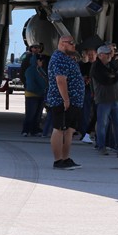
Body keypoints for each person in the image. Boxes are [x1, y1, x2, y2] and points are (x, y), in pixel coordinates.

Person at [46, 35, 84, 170]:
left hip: (73, 102)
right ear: (62, 43)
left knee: (69, 130)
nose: (74, 46)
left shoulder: (68, 58)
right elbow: (60, 80)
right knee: (60, 129)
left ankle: (65, 158)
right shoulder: (59, 58)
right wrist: (66, 99)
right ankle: (58, 161)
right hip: (62, 101)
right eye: (71, 43)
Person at [91, 44, 118, 155]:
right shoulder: (96, 67)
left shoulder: (111, 65)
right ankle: (101, 146)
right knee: (102, 124)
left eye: (110, 54)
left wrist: (114, 75)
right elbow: (106, 80)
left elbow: (117, 72)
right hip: (103, 99)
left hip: (114, 98)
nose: (109, 55)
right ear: (100, 55)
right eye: (107, 54)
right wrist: (115, 76)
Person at [22, 54, 48, 136]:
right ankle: (25, 130)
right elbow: (31, 84)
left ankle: (34, 130)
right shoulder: (30, 71)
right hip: (32, 95)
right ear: (36, 61)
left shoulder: (40, 70)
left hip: (40, 95)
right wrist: (40, 90)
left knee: (38, 114)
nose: (42, 62)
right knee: (30, 114)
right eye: (40, 60)